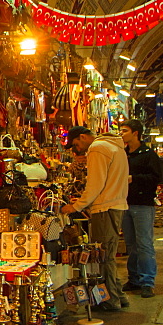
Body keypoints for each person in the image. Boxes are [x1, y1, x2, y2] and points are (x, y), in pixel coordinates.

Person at [61, 126, 130, 312]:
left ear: (83, 137)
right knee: (108, 255)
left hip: (105, 209)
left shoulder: (98, 148)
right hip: (115, 205)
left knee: (104, 256)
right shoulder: (114, 146)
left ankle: (110, 300)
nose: (77, 149)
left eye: (76, 144)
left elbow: (95, 184)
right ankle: (118, 295)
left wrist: (76, 206)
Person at [119, 121, 162, 299]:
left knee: (144, 243)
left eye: (124, 131)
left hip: (143, 204)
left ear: (135, 133)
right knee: (131, 244)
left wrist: (133, 178)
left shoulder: (148, 155)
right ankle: (134, 278)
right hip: (125, 203)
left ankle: (147, 282)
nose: (121, 133)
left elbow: (156, 177)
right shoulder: (122, 154)